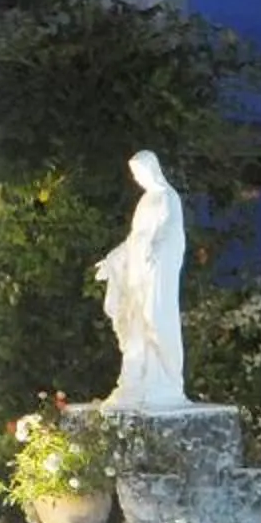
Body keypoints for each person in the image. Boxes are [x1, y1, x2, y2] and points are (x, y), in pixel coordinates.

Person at [94, 149, 188, 410]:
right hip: (138, 273)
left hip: (157, 271)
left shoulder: (168, 198)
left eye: (140, 172)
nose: (137, 178)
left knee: (155, 319)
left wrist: (155, 250)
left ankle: (168, 377)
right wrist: (114, 258)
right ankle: (134, 379)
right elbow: (135, 238)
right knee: (136, 326)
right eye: (134, 174)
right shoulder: (145, 201)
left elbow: (172, 235)